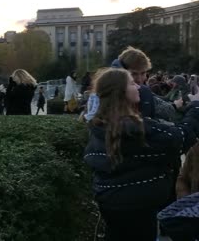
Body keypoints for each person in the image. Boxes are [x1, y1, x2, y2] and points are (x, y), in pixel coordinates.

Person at [84, 68, 199, 241]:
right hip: (137, 210)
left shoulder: (102, 124)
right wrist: (195, 107)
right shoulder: (134, 129)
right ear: (120, 92)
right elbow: (179, 138)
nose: (138, 86)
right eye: (132, 82)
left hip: (113, 205)